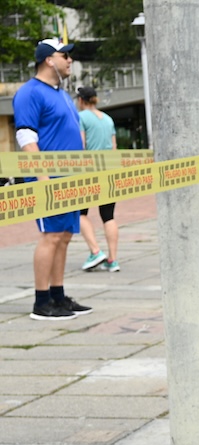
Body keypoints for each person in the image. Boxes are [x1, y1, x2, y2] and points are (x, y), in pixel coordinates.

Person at [13, 38, 92, 321]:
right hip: (49, 178)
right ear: (49, 59)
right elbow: (26, 137)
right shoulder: (29, 93)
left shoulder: (62, 94)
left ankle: (58, 297)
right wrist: (43, 177)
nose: (70, 61)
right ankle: (41, 302)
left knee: (65, 237)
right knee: (51, 236)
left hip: (70, 179)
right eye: (65, 56)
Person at [76, 86, 120, 272]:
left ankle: (95, 251)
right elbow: (114, 149)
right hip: (109, 172)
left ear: (81, 100)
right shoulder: (108, 119)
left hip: (89, 173)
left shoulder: (81, 117)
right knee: (108, 216)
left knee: (79, 213)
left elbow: (81, 145)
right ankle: (113, 260)